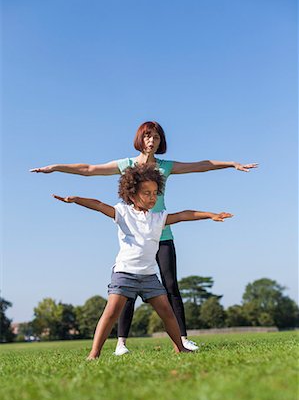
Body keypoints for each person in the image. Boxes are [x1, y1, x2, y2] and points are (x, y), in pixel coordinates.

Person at [31, 121, 257, 354]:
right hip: (136, 233)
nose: (151, 141)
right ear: (140, 139)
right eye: (148, 136)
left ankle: (182, 340)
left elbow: (201, 165)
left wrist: (231, 164)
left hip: (161, 230)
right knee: (126, 290)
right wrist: (56, 167)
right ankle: (121, 343)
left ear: (161, 142)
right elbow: (88, 169)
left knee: (171, 286)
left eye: (156, 137)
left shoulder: (165, 167)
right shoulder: (126, 165)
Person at [52, 164, 233, 359]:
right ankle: (94, 353)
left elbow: (183, 215)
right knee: (111, 313)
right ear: (131, 194)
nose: (152, 197)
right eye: (147, 193)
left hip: (148, 276)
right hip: (124, 273)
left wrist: (210, 215)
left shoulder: (158, 218)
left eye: (155, 193)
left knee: (167, 312)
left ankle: (180, 348)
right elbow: (98, 205)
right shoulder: (123, 212)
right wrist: (76, 199)